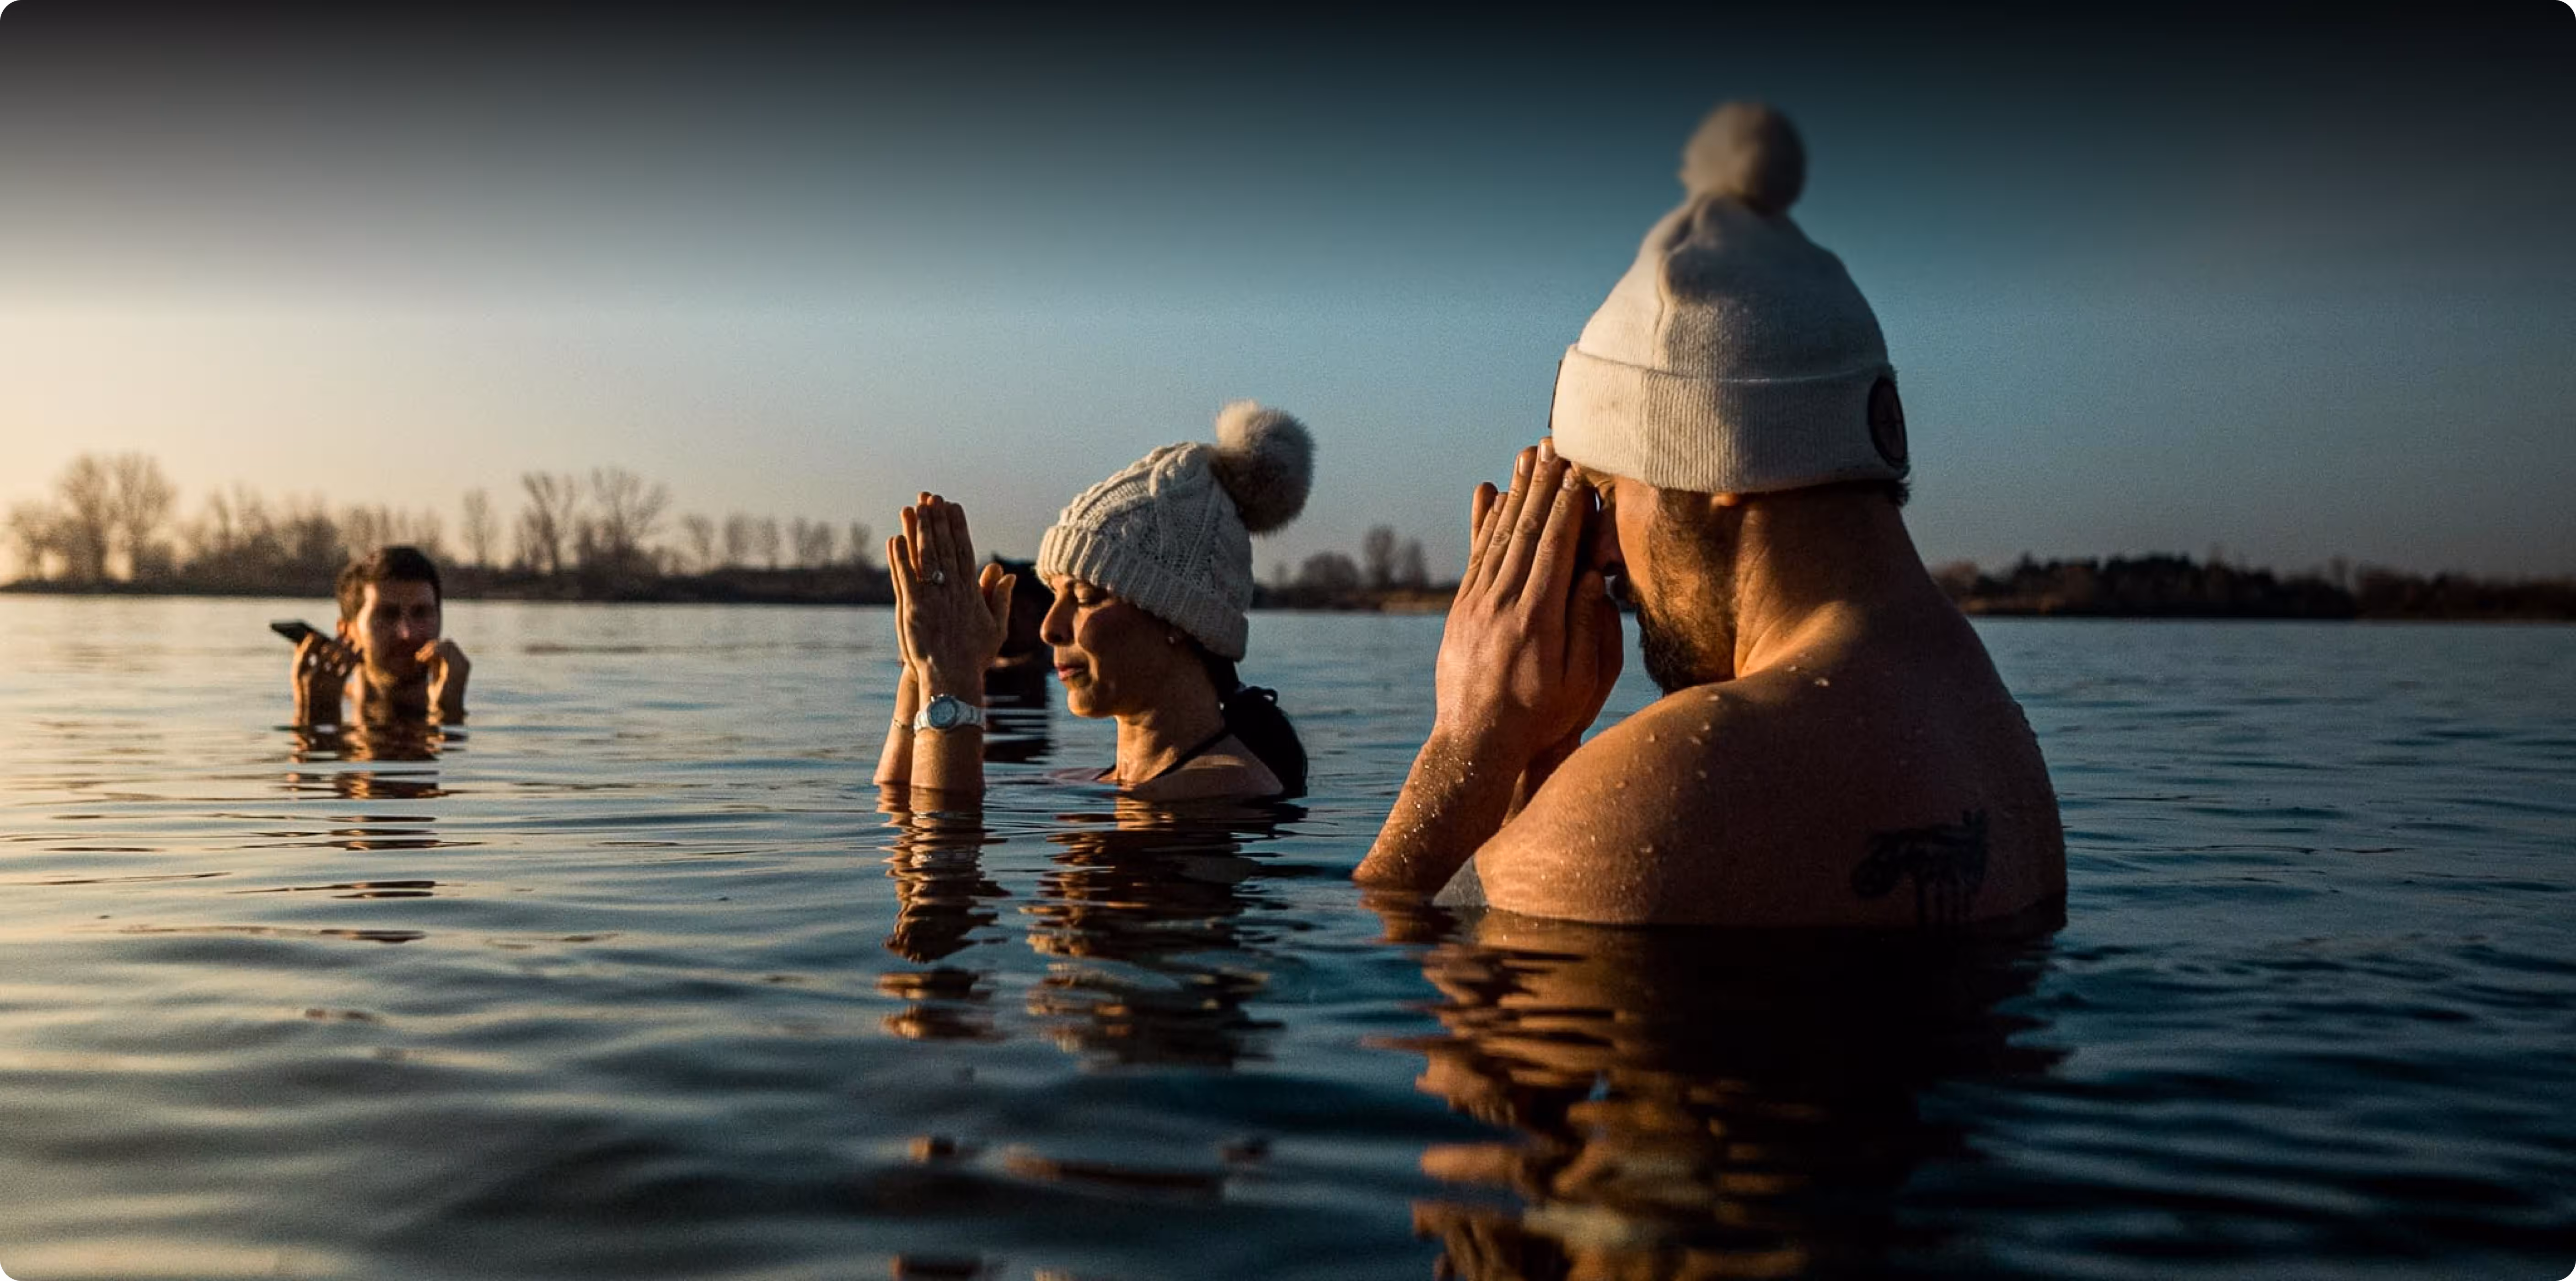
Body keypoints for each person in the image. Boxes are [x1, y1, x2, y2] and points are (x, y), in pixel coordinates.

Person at [1355, 102, 2064, 929]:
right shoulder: (1990, 740)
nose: (1606, 559)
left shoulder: (1664, 796)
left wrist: (1472, 744)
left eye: (1610, 494)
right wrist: (1545, 755)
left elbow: (1442, 1026)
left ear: (1717, 466)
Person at [872, 401, 1313, 801]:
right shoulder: (1096, 785)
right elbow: (900, 816)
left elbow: (943, 867)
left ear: (1179, 619)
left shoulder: (1220, 788)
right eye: (1054, 595)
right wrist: (923, 668)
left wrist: (954, 683)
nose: (1050, 628)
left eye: (1086, 597)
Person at [289, 545, 470, 727]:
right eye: (387, 615)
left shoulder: (455, 706)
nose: (407, 634)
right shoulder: (323, 700)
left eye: (421, 613)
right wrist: (314, 720)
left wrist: (449, 717)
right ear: (346, 631)